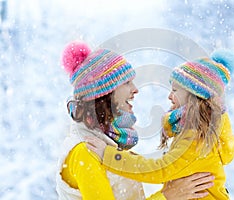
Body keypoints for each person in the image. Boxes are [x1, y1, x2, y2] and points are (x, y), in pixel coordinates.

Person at [56, 41, 214, 200]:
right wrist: (168, 196)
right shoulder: (87, 151)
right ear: (105, 93)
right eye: (126, 83)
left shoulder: (111, 144)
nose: (135, 89)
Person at [86, 49, 234, 199]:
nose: (170, 96)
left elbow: (159, 169)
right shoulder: (206, 131)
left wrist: (110, 156)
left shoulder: (196, 136)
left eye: (175, 90)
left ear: (194, 96)